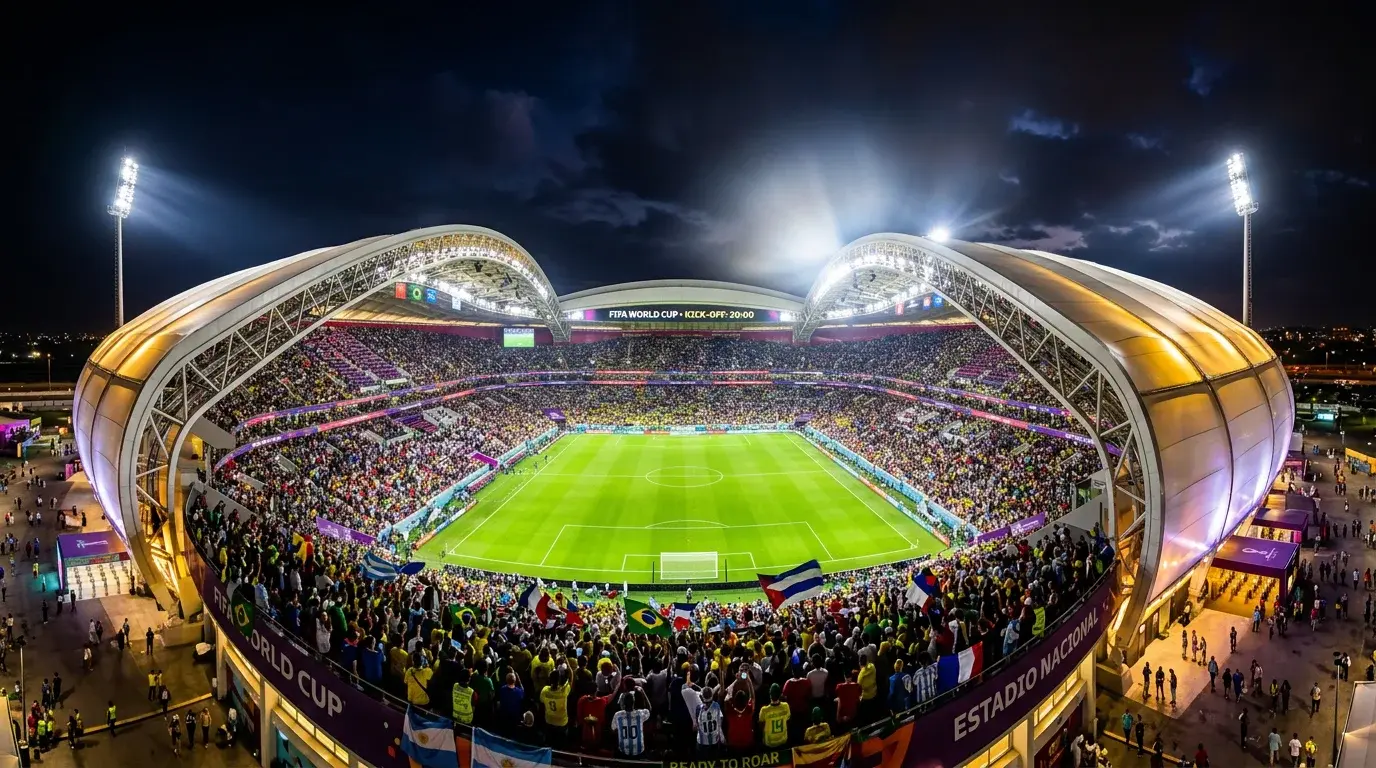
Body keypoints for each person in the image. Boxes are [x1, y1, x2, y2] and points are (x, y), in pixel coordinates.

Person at [612, 690, 651, 758]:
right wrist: (643, 692)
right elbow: (649, 708)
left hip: (623, 751)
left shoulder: (617, 715)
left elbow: (614, 730)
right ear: (634, 702)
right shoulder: (640, 714)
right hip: (639, 751)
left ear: (623, 703)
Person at [759, 684, 791, 749]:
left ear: (770, 695)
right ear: (780, 695)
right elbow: (788, 720)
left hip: (769, 743)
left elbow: (761, 725)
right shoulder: (786, 706)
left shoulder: (764, 710)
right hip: (783, 740)